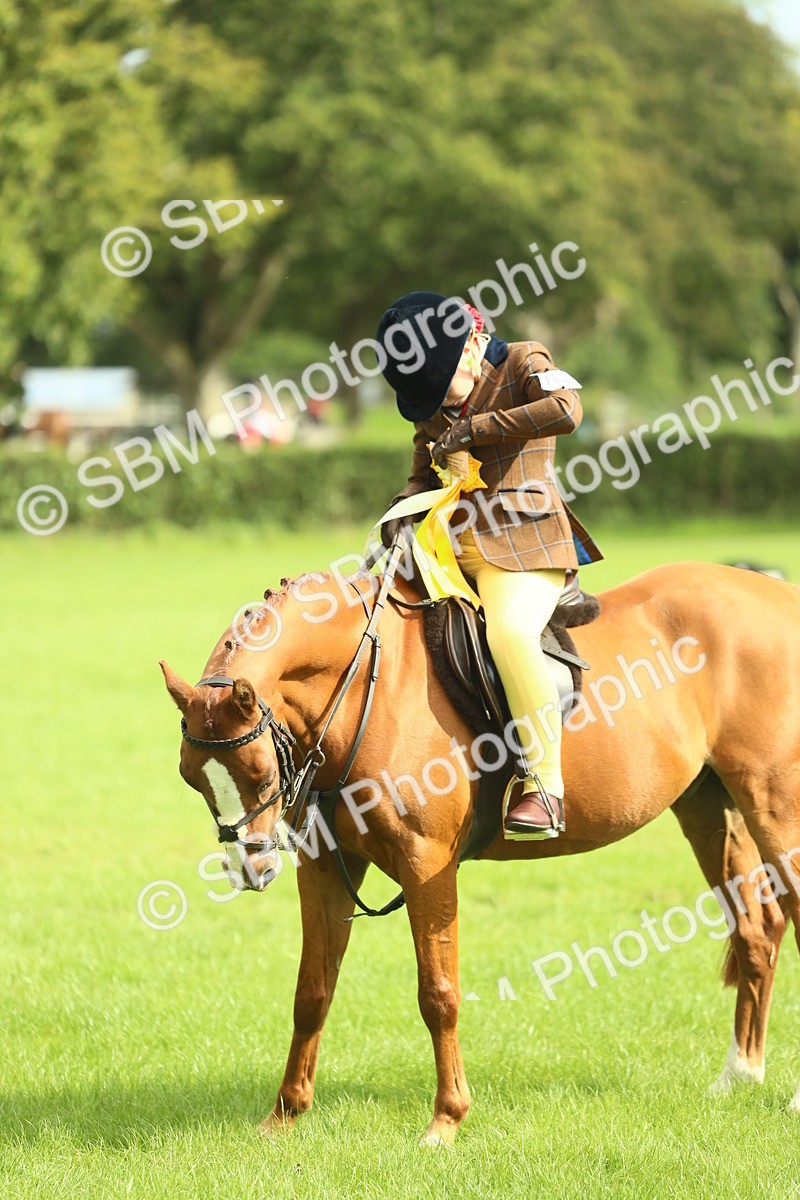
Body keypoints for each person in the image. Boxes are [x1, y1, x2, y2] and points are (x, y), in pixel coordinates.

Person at [376, 291, 602, 839]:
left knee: (509, 634)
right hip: (447, 554)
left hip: (524, 547)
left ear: (473, 346)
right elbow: (422, 472)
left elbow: (567, 410)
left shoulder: (525, 361)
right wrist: (398, 511)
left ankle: (545, 788)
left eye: (442, 388)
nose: (438, 407)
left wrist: (475, 430)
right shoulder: (435, 407)